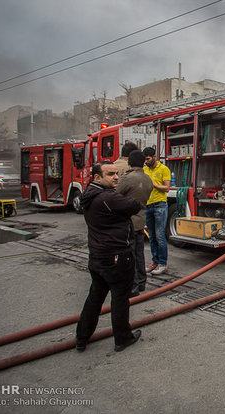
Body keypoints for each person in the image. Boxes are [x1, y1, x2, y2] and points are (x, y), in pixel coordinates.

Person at [75, 161, 142, 353]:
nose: (116, 177)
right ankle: (122, 338)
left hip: (97, 256)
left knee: (95, 298)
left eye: (116, 173)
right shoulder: (107, 198)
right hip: (116, 257)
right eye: (110, 174)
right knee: (120, 298)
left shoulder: (89, 195)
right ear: (97, 177)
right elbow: (134, 205)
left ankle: (82, 337)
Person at [117, 150, 154, 297]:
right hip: (140, 221)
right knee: (139, 254)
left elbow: (116, 195)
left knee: (129, 256)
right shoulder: (147, 179)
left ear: (130, 163)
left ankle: (132, 287)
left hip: (128, 222)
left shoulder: (128, 179)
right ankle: (141, 282)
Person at [143, 147, 171, 276]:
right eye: (145, 159)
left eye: (148, 158)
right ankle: (154, 262)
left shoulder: (164, 169)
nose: (146, 161)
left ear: (154, 156)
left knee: (160, 236)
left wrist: (153, 185)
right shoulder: (144, 169)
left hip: (160, 204)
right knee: (152, 236)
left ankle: (162, 263)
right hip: (148, 205)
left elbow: (166, 188)